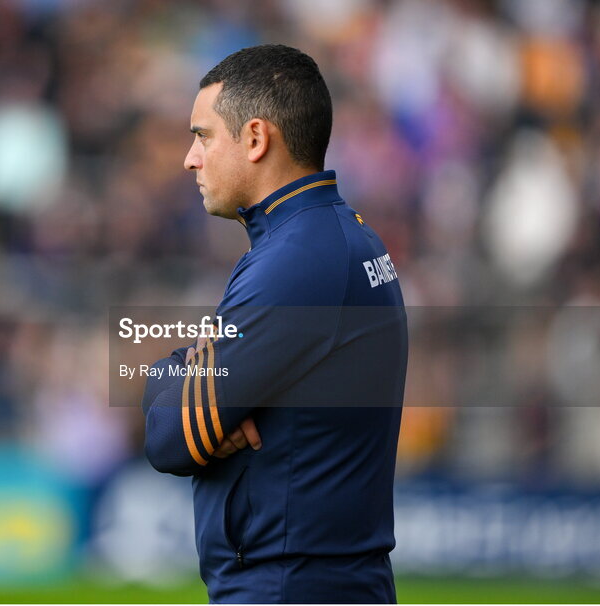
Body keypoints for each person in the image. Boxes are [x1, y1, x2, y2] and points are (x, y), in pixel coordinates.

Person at [140, 45, 408, 603]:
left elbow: (168, 438)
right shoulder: (328, 238)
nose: (190, 158)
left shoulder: (298, 261)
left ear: (256, 138)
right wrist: (190, 374)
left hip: (290, 585)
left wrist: (185, 381)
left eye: (204, 136)